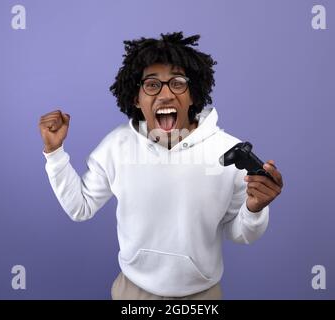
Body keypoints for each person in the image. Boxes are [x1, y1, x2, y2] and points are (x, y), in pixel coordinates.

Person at [38, 32, 283, 300]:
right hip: (132, 292)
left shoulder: (227, 151)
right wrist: (54, 152)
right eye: (152, 85)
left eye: (177, 83)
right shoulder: (116, 146)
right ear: (136, 98)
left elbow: (240, 233)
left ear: (193, 94)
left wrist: (254, 209)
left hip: (201, 296)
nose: (165, 94)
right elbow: (80, 207)